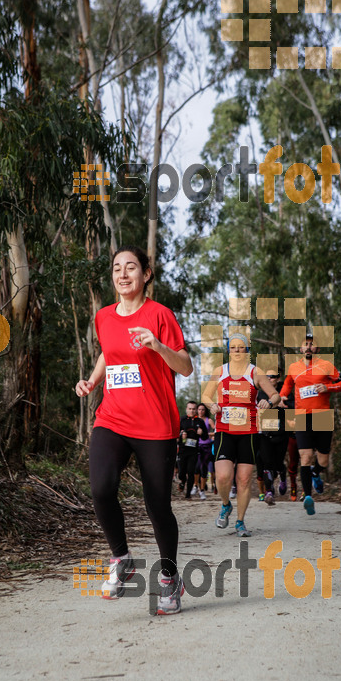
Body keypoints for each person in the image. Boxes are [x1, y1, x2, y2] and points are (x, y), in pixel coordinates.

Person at [75, 245, 193, 615]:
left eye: (131, 268)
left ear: (146, 274)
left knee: (158, 506)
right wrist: (93, 381)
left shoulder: (160, 315)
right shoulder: (104, 317)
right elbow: (109, 352)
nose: (123, 274)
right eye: (117, 269)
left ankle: (170, 578)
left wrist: (157, 346)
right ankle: (122, 558)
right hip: (113, 417)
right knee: (100, 487)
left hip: (155, 424)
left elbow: (186, 367)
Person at [202, 333, 283, 537]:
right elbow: (205, 395)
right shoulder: (220, 371)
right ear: (228, 350)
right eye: (233, 347)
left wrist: (269, 402)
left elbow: (275, 394)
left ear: (247, 350)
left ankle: (240, 522)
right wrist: (211, 404)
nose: (237, 351)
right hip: (224, 430)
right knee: (222, 476)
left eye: (241, 347)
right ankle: (226, 504)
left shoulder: (255, 372)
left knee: (244, 479)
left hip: (249, 432)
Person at [280, 333, 341, 515]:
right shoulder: (294, 367)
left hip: (322, 415)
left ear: (317, 349)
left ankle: (316, 473)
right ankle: (308, 497)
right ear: (301, 349)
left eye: (312, 345)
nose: (308, 347)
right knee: (305, 456)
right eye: (305, 344)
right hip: (302, 415)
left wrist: (328, 387)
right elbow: (287, 385)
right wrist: (281, 397)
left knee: (323, 459)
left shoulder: (326, 365)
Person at [256, 370, 292, 506]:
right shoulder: (260, 392)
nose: (270, 379)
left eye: (273, 376)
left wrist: (284, 406)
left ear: (278, 378)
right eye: (268, 376)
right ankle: (269, 492)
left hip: (281, 433)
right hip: (265, 433)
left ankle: (282, 475)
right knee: (267, 463)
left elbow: (295, 407)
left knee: (278, 463)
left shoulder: (287, 391)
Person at [178, 401, 208, 499]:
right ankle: (182, 481)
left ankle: (188, 495)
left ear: (196, 410)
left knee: (191, 471)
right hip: (182, 450)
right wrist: (181, 435)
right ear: (186, 409)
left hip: (193, 450)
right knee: (182, 472)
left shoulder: (200, 421)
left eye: (193, 409)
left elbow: (205, 437)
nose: (192, 411)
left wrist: (201, 433)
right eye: (190, 409)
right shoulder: (182, 420)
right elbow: (175, 434)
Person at [196, 403, 215, 495]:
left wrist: (207, 434)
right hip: (196, 446)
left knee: (203, 466)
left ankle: (202, 489)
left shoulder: (209, 420)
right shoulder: (194, 420)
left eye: (203, 409)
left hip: (206, 446)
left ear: (205, 411)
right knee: (196, 467)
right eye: (199, 409)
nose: (201, 411)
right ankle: (196, 486)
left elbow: (216, 431)